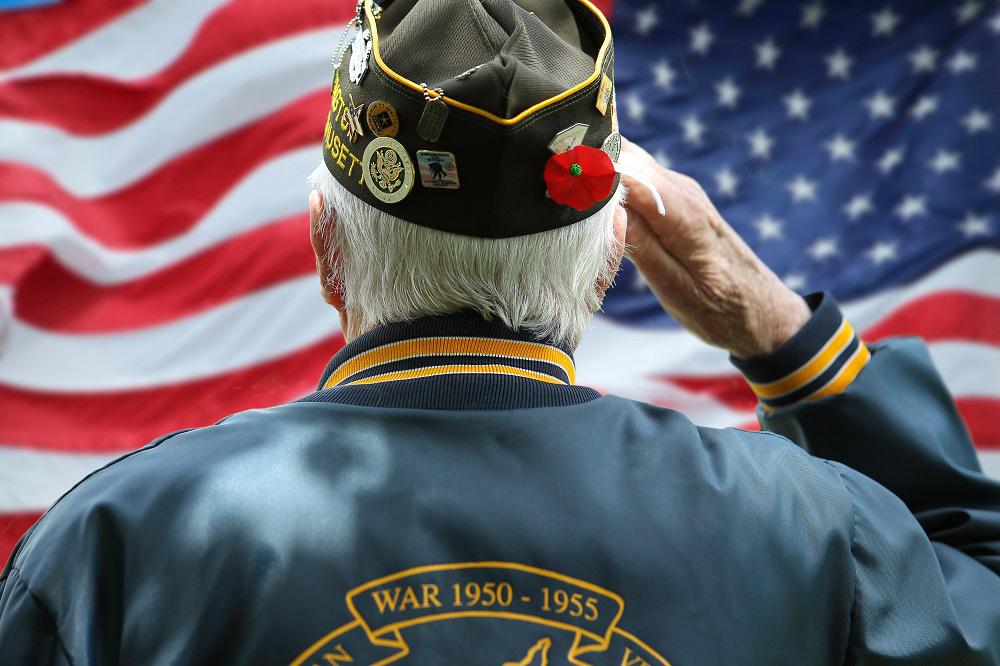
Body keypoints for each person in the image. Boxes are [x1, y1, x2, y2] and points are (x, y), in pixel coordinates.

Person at [2, 1, 999, 664]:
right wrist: (783, 337)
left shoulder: (116, 548)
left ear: (323, 245)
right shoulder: (818, 534)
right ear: (612, 256)